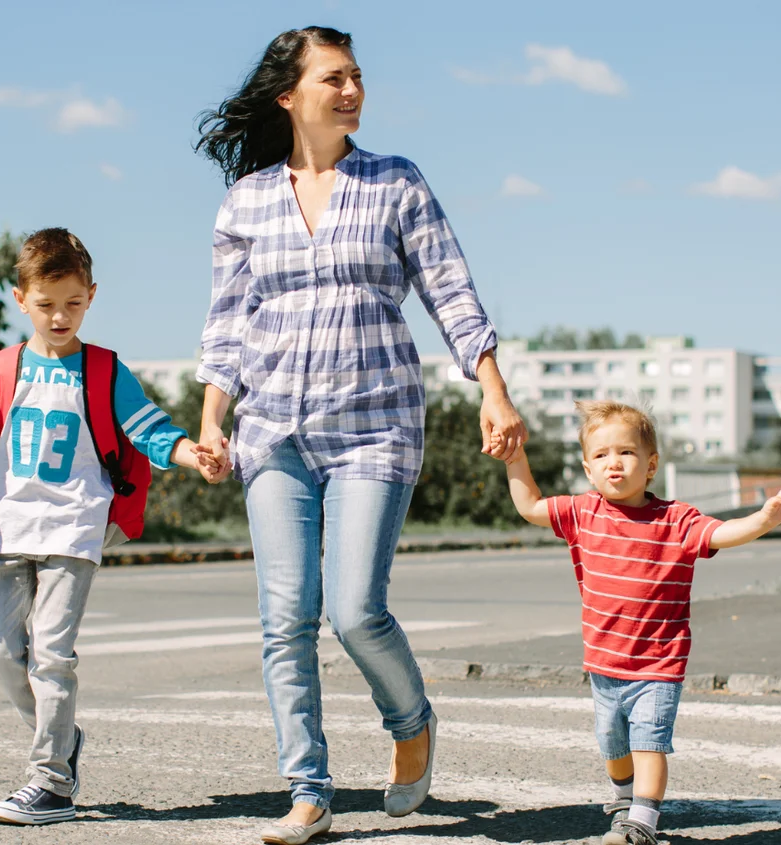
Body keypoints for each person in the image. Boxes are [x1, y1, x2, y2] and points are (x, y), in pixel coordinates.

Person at [193, 25, 528, 845]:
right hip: (273, 429)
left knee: (353, 609)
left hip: (374, 425)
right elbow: (228, 324)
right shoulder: (246, 202)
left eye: (356, 77)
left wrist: (493, 391)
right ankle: (309, 789)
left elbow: (452, 291)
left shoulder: (394, 183)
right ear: (290, 95)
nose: (350, 90)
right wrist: (211, 418)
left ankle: (410, 721)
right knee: (284, 617)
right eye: (332, 78)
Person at [0, 228, 220, 825]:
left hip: (74, 529)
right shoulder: (2, 368)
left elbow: (151, 431)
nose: (60, 317)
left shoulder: (105, 371)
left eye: (73, 304)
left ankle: (51, 782)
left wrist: (194, 453)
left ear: (91, 296)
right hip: (6, 525)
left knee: (51, 656)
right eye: (46, 304)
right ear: (19, 299)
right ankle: (60, 738)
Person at [501, 400, 781, 845]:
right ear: (587, 468)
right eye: (601, 455)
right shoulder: (582, 513)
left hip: (658, 665)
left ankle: (642, 823)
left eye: (626, 452)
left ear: (651, 463)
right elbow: (529, 505)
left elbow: (721, 533)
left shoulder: (676, 521)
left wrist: (764, 518)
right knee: (611, 744)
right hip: (604, 662)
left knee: (649, 744)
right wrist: (515, 457)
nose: (613, 463)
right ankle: (624, 801)